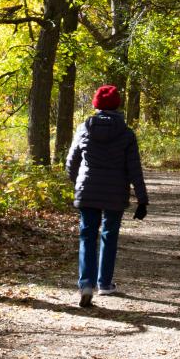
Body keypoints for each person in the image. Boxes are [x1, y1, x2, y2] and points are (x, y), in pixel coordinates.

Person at [66, 83, 148, 309]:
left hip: (87, 190)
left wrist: (78, 182)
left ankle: (85, 284)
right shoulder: (126, 133)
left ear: (96, 105)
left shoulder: (84, 128)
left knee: (87, 235)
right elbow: (134, 168)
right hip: (114, 192)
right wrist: (142, 199)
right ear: (117, 105)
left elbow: (71, 162)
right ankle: (104, 283)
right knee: (109, 235)